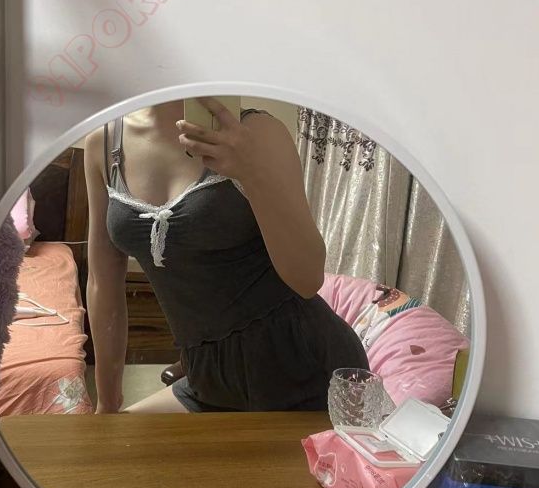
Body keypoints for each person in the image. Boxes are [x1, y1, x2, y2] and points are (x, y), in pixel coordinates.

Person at [83, 97, 368, 414]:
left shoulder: (258, 132)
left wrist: (252, 173)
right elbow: (101, 282)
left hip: (304, 370)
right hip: (207, 379)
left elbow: (308, 279)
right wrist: (107, 402)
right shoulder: (103, 143)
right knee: (122, 442)